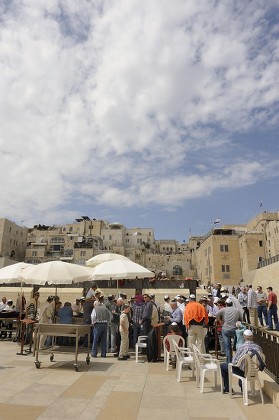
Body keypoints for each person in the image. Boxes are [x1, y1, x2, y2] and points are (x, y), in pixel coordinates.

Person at [220, 329, 265, 394]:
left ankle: (227, 388)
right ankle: (242, 388)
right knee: (242, 366)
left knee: (223, 366)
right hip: (254, 371)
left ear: (243, 336)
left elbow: (234, 362)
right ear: (252, 336)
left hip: (243, 372)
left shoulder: (241, 347)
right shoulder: (258, 347)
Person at [215, 298, 242, 363]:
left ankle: (228, 362)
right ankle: (236, 360)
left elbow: (216, 315)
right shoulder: (237, 310)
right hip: (234, 329)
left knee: (227, 347)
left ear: (226, 304)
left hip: (225, 329)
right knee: (236, 345)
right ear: (232, 304)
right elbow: (241, 319)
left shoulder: (224, 309)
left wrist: (220, 321)